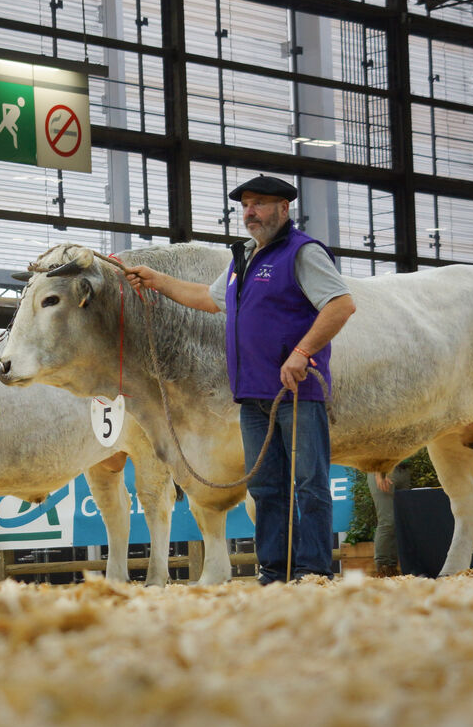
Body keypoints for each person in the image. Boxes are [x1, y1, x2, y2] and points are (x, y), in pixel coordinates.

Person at [124, 175, 355, 583]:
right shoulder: (243, 258)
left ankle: (313, 570)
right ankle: (276, 571)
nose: (250, 212)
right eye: (246, 205)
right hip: (251, 395)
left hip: (296, 393)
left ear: (284, 208)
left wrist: (302, 353)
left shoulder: (303, 253)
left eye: (259, 203)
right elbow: (209, 299)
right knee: (266, 488)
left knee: (310, 484)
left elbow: (341, 304)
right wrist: (156, 280)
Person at [368, 459, 414, 577]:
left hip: (403, 469)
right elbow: (376, 448)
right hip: (385, 470)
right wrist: (379, 472)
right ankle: (383, 566)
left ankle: (392, 567)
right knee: (387, 521)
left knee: (400, 521)